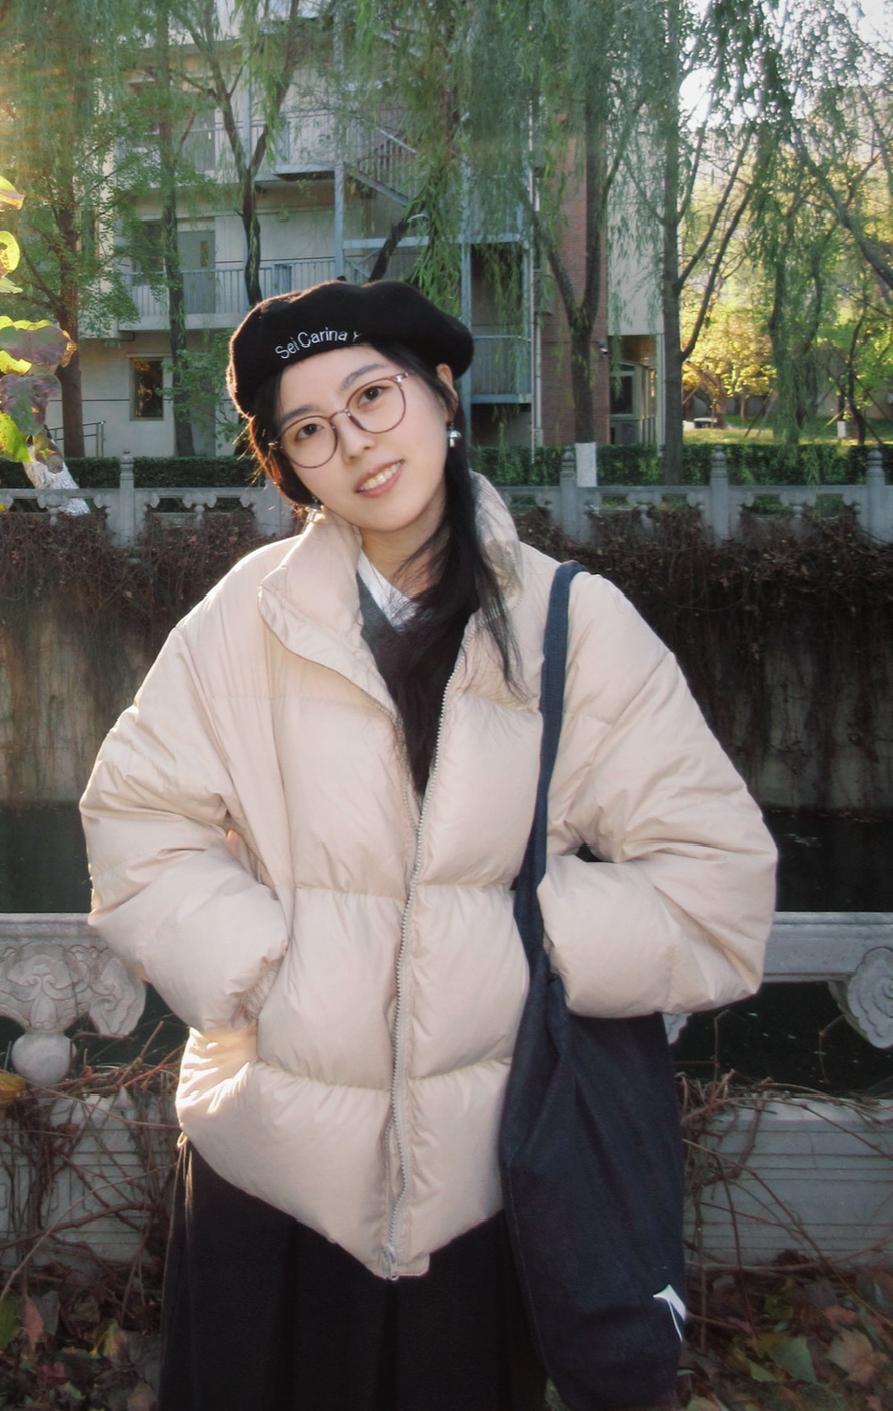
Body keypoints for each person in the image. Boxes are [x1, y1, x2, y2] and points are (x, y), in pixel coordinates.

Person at [79, 280, 777, 1411]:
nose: (355, 443)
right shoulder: (244, 619)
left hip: (488, 1191)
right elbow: (135, 818)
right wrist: (259, 969)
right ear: (289, 467)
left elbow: (719, 887)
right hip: (273, 1180)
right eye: (310, 429)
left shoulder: (573, 626)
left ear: (444, 394)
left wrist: (524, 936)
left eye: (373, 396)